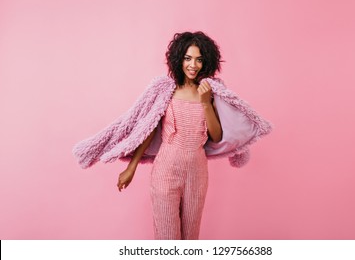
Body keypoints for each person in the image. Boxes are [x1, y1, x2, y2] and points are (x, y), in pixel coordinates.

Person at [72, 31, 272, 240]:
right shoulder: (166, 90)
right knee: (167, 237)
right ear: (178, 59)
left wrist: (205, 102)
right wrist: (130, 168)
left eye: (199, 59)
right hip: (165, 171)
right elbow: (148, 130)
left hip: (197, 174)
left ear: (207, 62)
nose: (193, 65)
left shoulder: (210, 92)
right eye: (187, 58)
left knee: (190, 238)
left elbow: (216, 135)